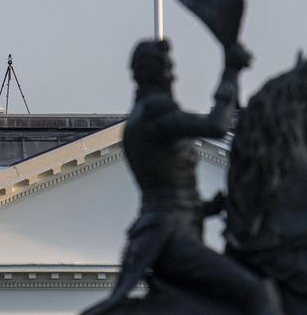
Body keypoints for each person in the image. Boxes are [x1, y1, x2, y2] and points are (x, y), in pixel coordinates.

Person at [84, 39, 283, 315]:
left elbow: (167, 192)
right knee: (257, 292)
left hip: (172, 230)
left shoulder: (142, 118)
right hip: (172, 239)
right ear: (154, 73)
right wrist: (231, 71)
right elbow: (216, 125)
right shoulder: (155, 114)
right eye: (168, 68)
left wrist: (209, 208)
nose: (173, 75)